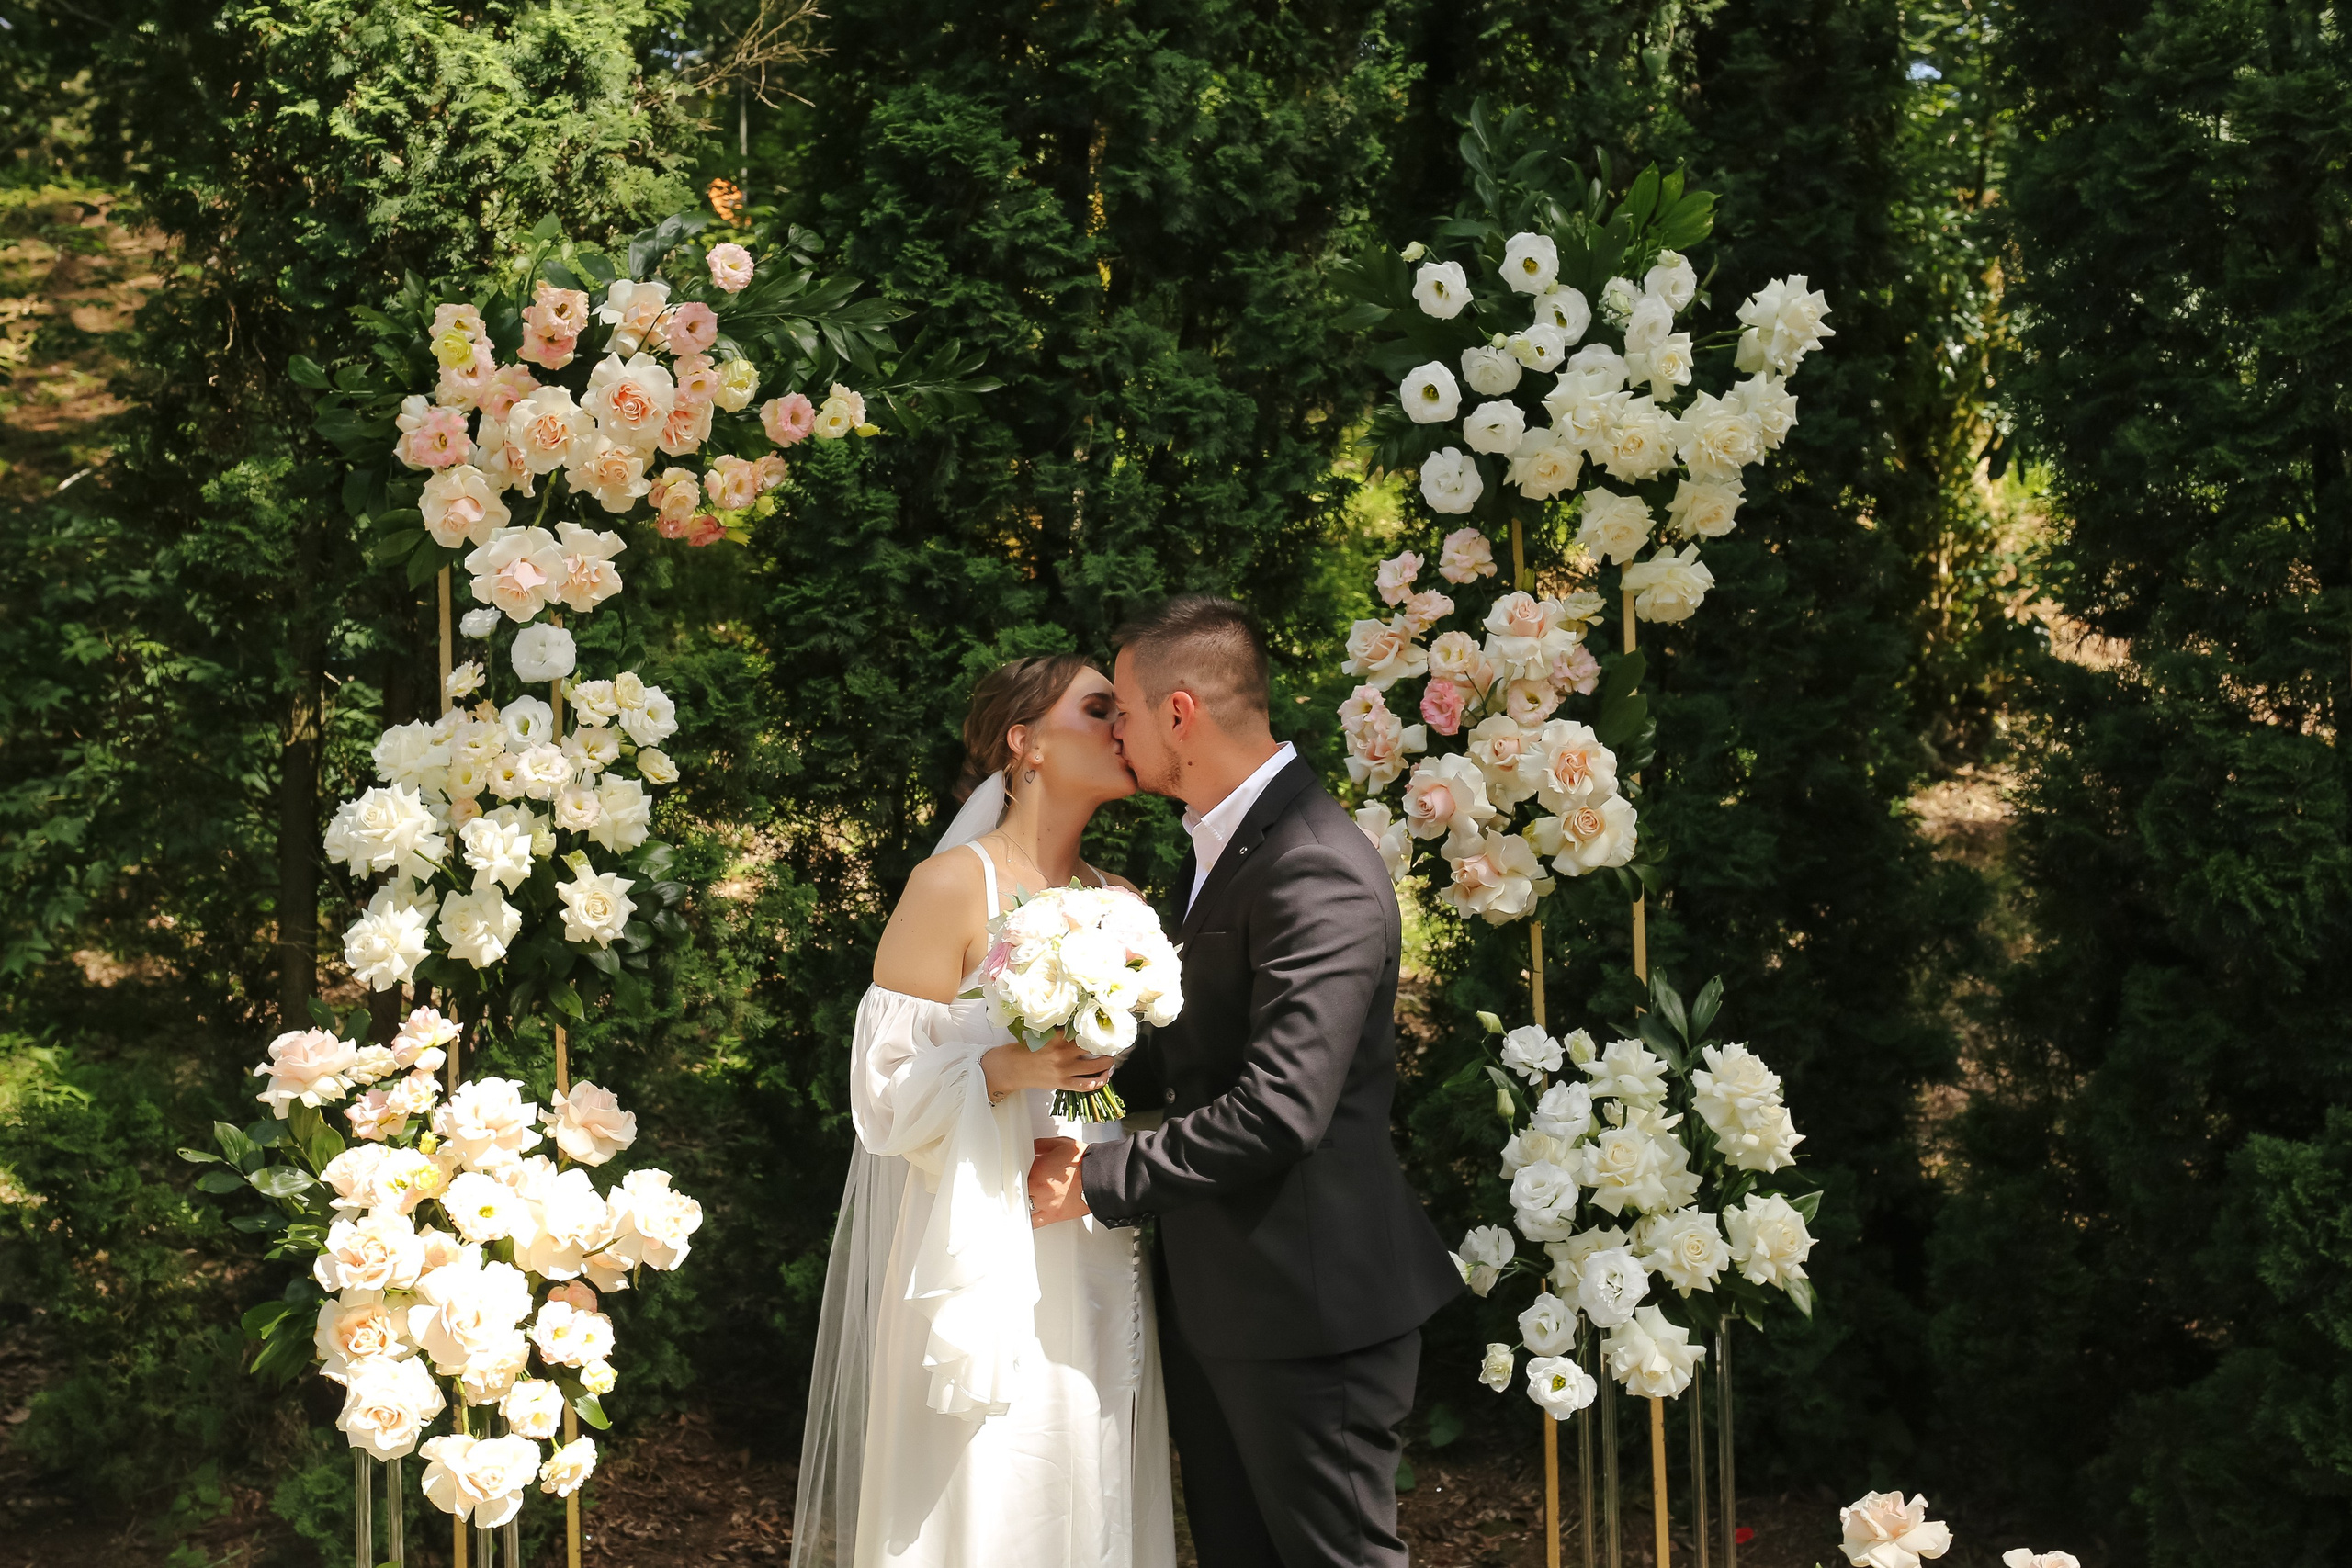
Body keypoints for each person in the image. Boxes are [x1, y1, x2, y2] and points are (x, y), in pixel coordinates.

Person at [1028, 594, 1464, 1568]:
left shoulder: (1316, 868)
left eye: (1126, 714)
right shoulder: (1220, 847)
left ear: (1179, 714)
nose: (1118, 735)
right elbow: (1205, 1054)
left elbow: (1281, 1107)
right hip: (1230, 1300)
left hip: (1311, 1312)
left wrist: (1096, 1185)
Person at [791, 652, 1176, 1568]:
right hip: (976, 1239)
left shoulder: (1121, 905)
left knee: (1088, 1450)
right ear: (1024, 742)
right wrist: (1005, 1067)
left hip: (1085, 1229)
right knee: (987, 1480)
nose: (1121, 727)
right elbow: (882, 1097)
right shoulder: (953, 887)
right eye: (1097, 709)